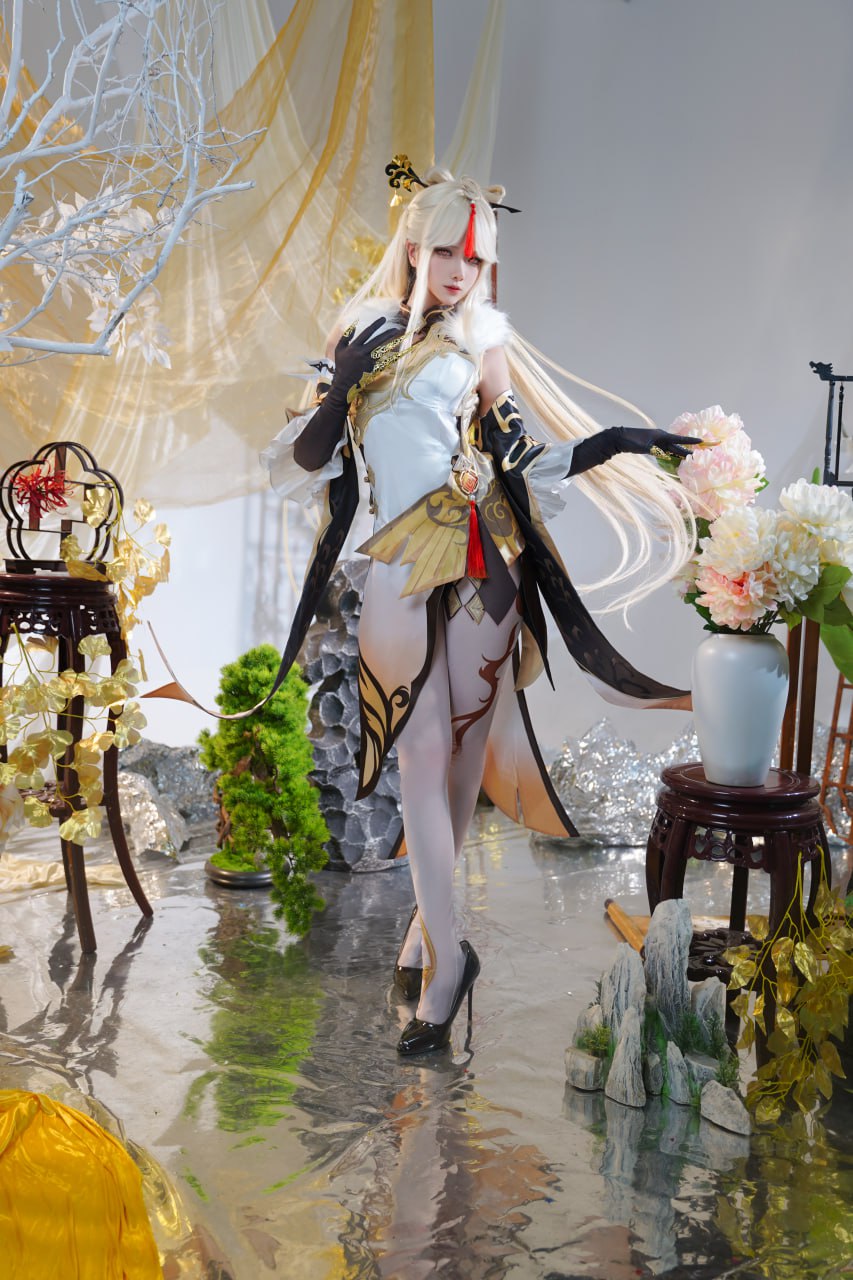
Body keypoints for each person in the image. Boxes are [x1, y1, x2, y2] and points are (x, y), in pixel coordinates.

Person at [261, 169, 698, 1055]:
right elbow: (307, 457)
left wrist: (617, 443)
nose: (461, 272)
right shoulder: (359, 333)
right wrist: (341, 385)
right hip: (397, 558)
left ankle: (427, 940)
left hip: (480, 553)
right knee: (417, 751)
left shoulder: (480, 342)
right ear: (412, 247)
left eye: (476, 259)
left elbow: (519, 456)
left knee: (457, 752)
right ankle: (450, 951)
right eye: (446, 253)